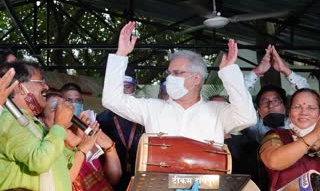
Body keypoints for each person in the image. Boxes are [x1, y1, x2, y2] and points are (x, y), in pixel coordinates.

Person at [102, 21, 256, 144]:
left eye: (177, 73)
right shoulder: (152, 108)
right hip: (161, 183)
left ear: (196, 78)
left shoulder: (218, 111)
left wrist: (229, 73)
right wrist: (120, 54)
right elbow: (112, 100)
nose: (170, 78)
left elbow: (247, 117)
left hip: (205, 183)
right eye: (169, 73)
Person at [0, 60, 74, 191]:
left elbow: (57, 164)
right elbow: (40, 161)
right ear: (21, 87)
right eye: (41, 81)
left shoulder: (33, 122)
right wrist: (59, 126)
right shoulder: (9, 119)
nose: (46, 87)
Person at [60, 84, 122, 191]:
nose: (74, 104)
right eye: (68, 100)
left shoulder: (92, 130)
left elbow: (114, 179)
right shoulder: (58, 138)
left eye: (78, 100)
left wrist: (110, 147)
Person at [259, 88, 320, 190]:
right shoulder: (278, 135)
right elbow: (273, 161)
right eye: (297, 107)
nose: (304, 112)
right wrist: (315, 135)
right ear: (289, 111)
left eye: (311, 108)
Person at [97, 66, 145, 191]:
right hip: (112, 181)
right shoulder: (102, 119)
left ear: (135, 87)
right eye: (119, 88)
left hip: (143, 181)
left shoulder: (145, 115)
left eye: (127, 86)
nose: (122, 92)